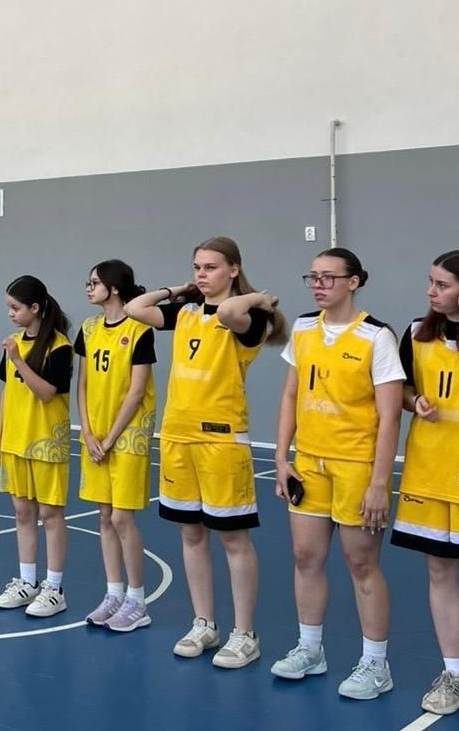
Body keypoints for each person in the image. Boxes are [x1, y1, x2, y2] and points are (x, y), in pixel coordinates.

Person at [125, 236, 285, 668]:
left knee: (233, 539)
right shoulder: (187, 312)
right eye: (197, 266)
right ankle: (204, 623)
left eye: (210, 267)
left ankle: (244, 633)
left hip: (221, 440)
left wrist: (258, 297)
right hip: (178, 437)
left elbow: (229, 312)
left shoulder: (249, 317)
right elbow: (134, 309)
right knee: (191, 535)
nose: (201, 273)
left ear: (233, 269)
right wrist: (179, 290)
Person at [271, 248, 403, 699]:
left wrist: (379, 483)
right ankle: (310, 649)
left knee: (361, 564)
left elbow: (390, 416)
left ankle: (376, 664)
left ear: (354, 281)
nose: (318, 284)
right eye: (313, 276)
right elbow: (290, 395)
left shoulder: (376, 336)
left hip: (356, 467)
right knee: (305, 557)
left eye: (328, 277)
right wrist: (281, 458)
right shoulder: (304, 328)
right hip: (310, 463)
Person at [391, 249, 459, 715]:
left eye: (442, 285)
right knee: (440, 572)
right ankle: (457, 674)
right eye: (431, 282)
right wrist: (414, 400)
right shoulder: (417, 333)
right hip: (429, 471)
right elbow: (401, 388)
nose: (431, 292)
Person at [77, 260, 157, 631]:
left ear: (114, 288)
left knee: (123, 517)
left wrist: (110, 438)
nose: (88, 287)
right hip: (96, 433)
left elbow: (137, 390)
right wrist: (88, 432)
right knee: (104, 515)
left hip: (127, 434)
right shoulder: (88, 328)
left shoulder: (140, 328)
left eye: (94, 282)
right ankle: (113, 593)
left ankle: (137, 600)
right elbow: (82, 384)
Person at [0, 275, 73, 617]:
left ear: (35, 308)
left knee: (50, 515)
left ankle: (54, 588)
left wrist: (19, 361)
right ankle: (27, 581)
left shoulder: (59, 346)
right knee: (22, 513)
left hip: (45, 442)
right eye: (9, 307)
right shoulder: (13, 342)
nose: (10, 313)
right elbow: (8, 391)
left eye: (16, 307)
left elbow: (47, 393)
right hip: (16, 440)